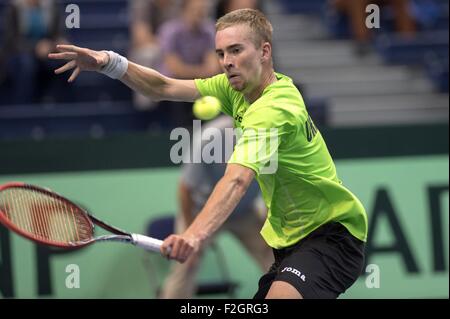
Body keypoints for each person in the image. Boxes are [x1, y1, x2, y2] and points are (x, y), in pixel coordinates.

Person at [49, 8, 368, 299]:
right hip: (289, 242)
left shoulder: (274, 108)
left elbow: (237, 181)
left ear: (264, 51)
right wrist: (108, 62)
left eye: (236, 50)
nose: (226, 61)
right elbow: (162, 87)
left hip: (331, 236)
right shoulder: (237, 90)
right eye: (221, 53)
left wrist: (193, 235)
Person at [159, 115, 273, 298]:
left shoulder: (270, 134)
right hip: (202, 211)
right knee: (186, 262)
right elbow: (185, 188)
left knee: (275, 256)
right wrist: (189, 232)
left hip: (245, 212)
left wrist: (272, 225)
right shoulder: (209, 137)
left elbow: (274, 185)